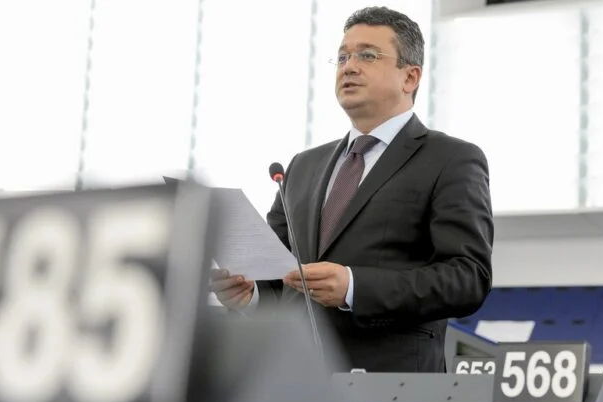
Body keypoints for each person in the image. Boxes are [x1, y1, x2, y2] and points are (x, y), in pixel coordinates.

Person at [210, 6, 493, 373]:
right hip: (295, 380)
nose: (349, 67)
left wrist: (355, 287)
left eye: (367, 55)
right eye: (342, 57)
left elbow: (468, 278)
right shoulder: (302, 167)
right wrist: (250, 296)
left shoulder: (450, 159)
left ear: (410, 77)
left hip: (391, 383)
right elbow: (279, 281)